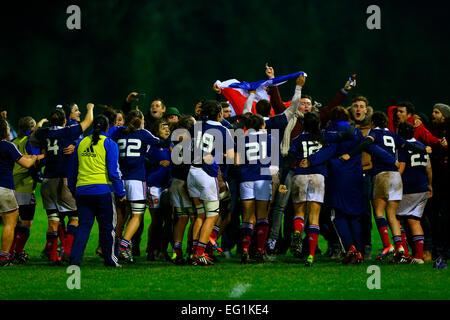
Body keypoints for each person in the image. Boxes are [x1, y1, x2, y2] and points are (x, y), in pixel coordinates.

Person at [31, 104, 94, 263]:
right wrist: (90, 109)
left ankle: (53, 256)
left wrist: (39, 125)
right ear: (65, 120)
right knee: (75, 217)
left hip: (47, 180)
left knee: (53, 219)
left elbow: (33, 140)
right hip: (64, 178)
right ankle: (67, 250)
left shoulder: (43, 133)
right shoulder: (68, 131)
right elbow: (89, 121)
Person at [278, 112, 338, 266]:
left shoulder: (297, 140)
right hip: (318, 177)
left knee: (299, 213)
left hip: (300, 177)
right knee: (314, 217)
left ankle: (297, 232)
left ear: (303, 125)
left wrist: (283, 181)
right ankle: (310, 255)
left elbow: (288, 160)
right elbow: (334, 147)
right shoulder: (324, 137)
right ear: (318, 124)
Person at [69, 115, 126, 267]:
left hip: (82, 191)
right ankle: (110, 260)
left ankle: (74, 259)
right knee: (107, 228)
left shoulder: (81, 143)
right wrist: (121, 193)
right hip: (102, 191)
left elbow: (72, 170)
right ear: (108, 127)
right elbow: (114, 172)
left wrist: (73, 189)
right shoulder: (109, 143)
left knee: (83, 227)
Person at [110, 110, 165, 264]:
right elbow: (160, 142)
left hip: (119, 179)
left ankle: (111, 245)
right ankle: (124, 245)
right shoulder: (143, 133)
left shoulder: (118, 132)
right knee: (137, 215)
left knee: (121, 214)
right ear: (141, 121)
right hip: (136, 179)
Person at [187, 100, 234, 266]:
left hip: (192, 172)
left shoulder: (196, 126)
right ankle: (200, 253)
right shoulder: (223, 130)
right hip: (207, 174)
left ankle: (193, 252)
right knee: (213, 215)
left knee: (200, 214)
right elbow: (230, 157)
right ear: (220, 113)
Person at [0, 118, 44, 266]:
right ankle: (5, 257)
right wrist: (34, 158)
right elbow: (25, 163)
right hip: (5, 188)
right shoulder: (8, 145)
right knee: (10, 223)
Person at [236, 114, 274, 264]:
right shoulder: (271, 139)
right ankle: (259, 250)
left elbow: (237, 163)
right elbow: (275, 163)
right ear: (262, 126)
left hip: (246, 179)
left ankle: (245, 249)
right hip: (263, 179)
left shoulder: (242, 139)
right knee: (262, 216)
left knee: (247, 217)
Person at [396, 121, 432, 264]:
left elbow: (402, 167)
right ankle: (418, 256)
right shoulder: (422, 146)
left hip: (407, 188)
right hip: (422, 187)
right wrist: (429, 184)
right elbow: (428, 168)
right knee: (414, 221)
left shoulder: (402, 147)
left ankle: (404, 254)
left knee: (396, 219)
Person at [347, 96, 374, 259]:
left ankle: (367, 245)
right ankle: (349, 245)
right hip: (348, 174)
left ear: (366, 110)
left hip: (365, 173)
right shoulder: (347, 127)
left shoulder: (371, 128)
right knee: (347, 210)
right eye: (355, 106)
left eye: (361, 106)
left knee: (365, 210)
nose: (358, 109)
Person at [169, 115, 197, 264]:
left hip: (175, 182)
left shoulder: (176, 139)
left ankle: (176, 251)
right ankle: (191, 250)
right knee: (195, 218)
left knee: (181, 218)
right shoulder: (190, 141)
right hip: (187, 182)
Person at [145, 119, 173, 261]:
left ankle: (163, 249)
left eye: (168, 128)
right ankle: (151, 249)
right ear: (156, 131)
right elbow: (144, 161)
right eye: (163, 128)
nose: (167, 130)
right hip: (154, 185)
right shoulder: (151, 145)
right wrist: (157, 163)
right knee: (156, 220)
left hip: (167, 186)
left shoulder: (171, 146)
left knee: (169, 219)